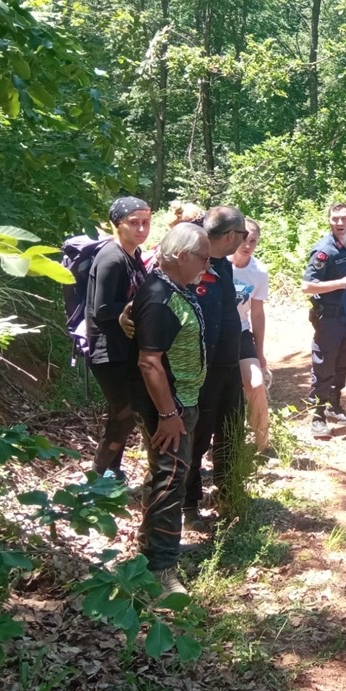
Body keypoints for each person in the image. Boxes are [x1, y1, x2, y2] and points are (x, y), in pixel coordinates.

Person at [127, 222, 211, 597]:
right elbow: (149, 362)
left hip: (182, 404)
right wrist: (168, 414)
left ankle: (153, 549)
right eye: (203, 258)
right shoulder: (161, 296)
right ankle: (161, 572)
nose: (206, 266)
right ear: (179, 256)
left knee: (166, 477)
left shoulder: (174, 288)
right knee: (169, 483)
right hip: (170, 409)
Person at [183, 206, 248, 529]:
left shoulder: (222, 262)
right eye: (243, 235)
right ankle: (189, 506)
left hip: (227, 364)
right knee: (197, 436)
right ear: (232, 236)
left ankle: (228, 491)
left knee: (231, 428)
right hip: (201, 369)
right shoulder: (193, 256)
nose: (245, 241)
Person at [85, 196, 151, 479]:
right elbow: (101, 309)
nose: (141, 229)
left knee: (123, 415)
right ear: (117, 225)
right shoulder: (112, 258)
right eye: (133, 223)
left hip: (127, 348)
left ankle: (112, 473)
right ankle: (96, 478)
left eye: (146, 223)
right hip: (107, 350)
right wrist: (132, 308)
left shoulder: (133, 255)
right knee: (124, 416)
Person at [301, 202, 346, 440]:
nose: (340, 223)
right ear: (329, 221)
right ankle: (318, 417)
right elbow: (307, 286)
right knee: (324, 365)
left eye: (344, 218)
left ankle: (334, 405)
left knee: (343, 364)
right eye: (335, 219)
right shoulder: (324, 251)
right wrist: (341, 283)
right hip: (329, 319)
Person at [230, 217, 272, 459]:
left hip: (242, 332)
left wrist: (260, 352)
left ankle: (263, 445)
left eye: (253, 241)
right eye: (244, 239)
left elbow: (257, 313)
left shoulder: (259, 272)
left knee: (255, 384)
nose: (247, 245)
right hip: (216, 334)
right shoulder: (217, 264)